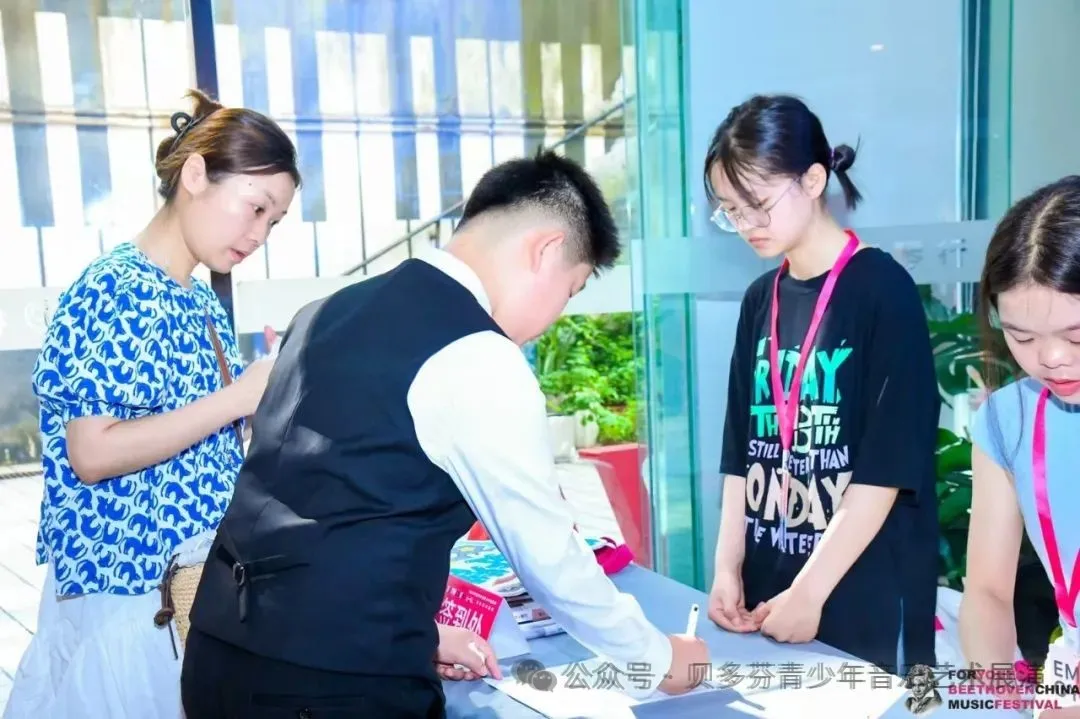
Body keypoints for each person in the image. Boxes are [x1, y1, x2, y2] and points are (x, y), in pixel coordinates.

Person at [180, 150, 709, 718]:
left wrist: (420, 634)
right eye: (571, 290)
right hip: (332, 691)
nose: (555, 316)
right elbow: (549, 558)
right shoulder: (478, 354)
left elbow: (318, 501)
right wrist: (659, 659)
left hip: (219, 661)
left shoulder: (324, 311)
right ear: (546, 250)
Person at [3, 89, 299, 719]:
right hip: (127, 595)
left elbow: (195, 433)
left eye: (273, 222)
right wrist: (238, 397)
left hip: (182, 590)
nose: (259, 235)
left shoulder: (193, 296)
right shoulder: (114, 287)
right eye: (255, 208)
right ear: (195, 175)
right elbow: (92, 452)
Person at [704, 94, 939, 674]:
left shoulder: (883, 290)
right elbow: (741, 449)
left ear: (813, 180)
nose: (746, 226)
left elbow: (886, 469)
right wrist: (727, 567)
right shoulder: (761, 298)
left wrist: (811, 594)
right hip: (770, 585)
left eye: (757, 205)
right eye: (730, 212)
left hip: (857, 590)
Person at [959, 176, 1080, 714]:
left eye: (1075, 336)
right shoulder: (1008, 419)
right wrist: (1000, 688)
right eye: (1021, 337)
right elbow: (987, 591)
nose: (1050, 358)